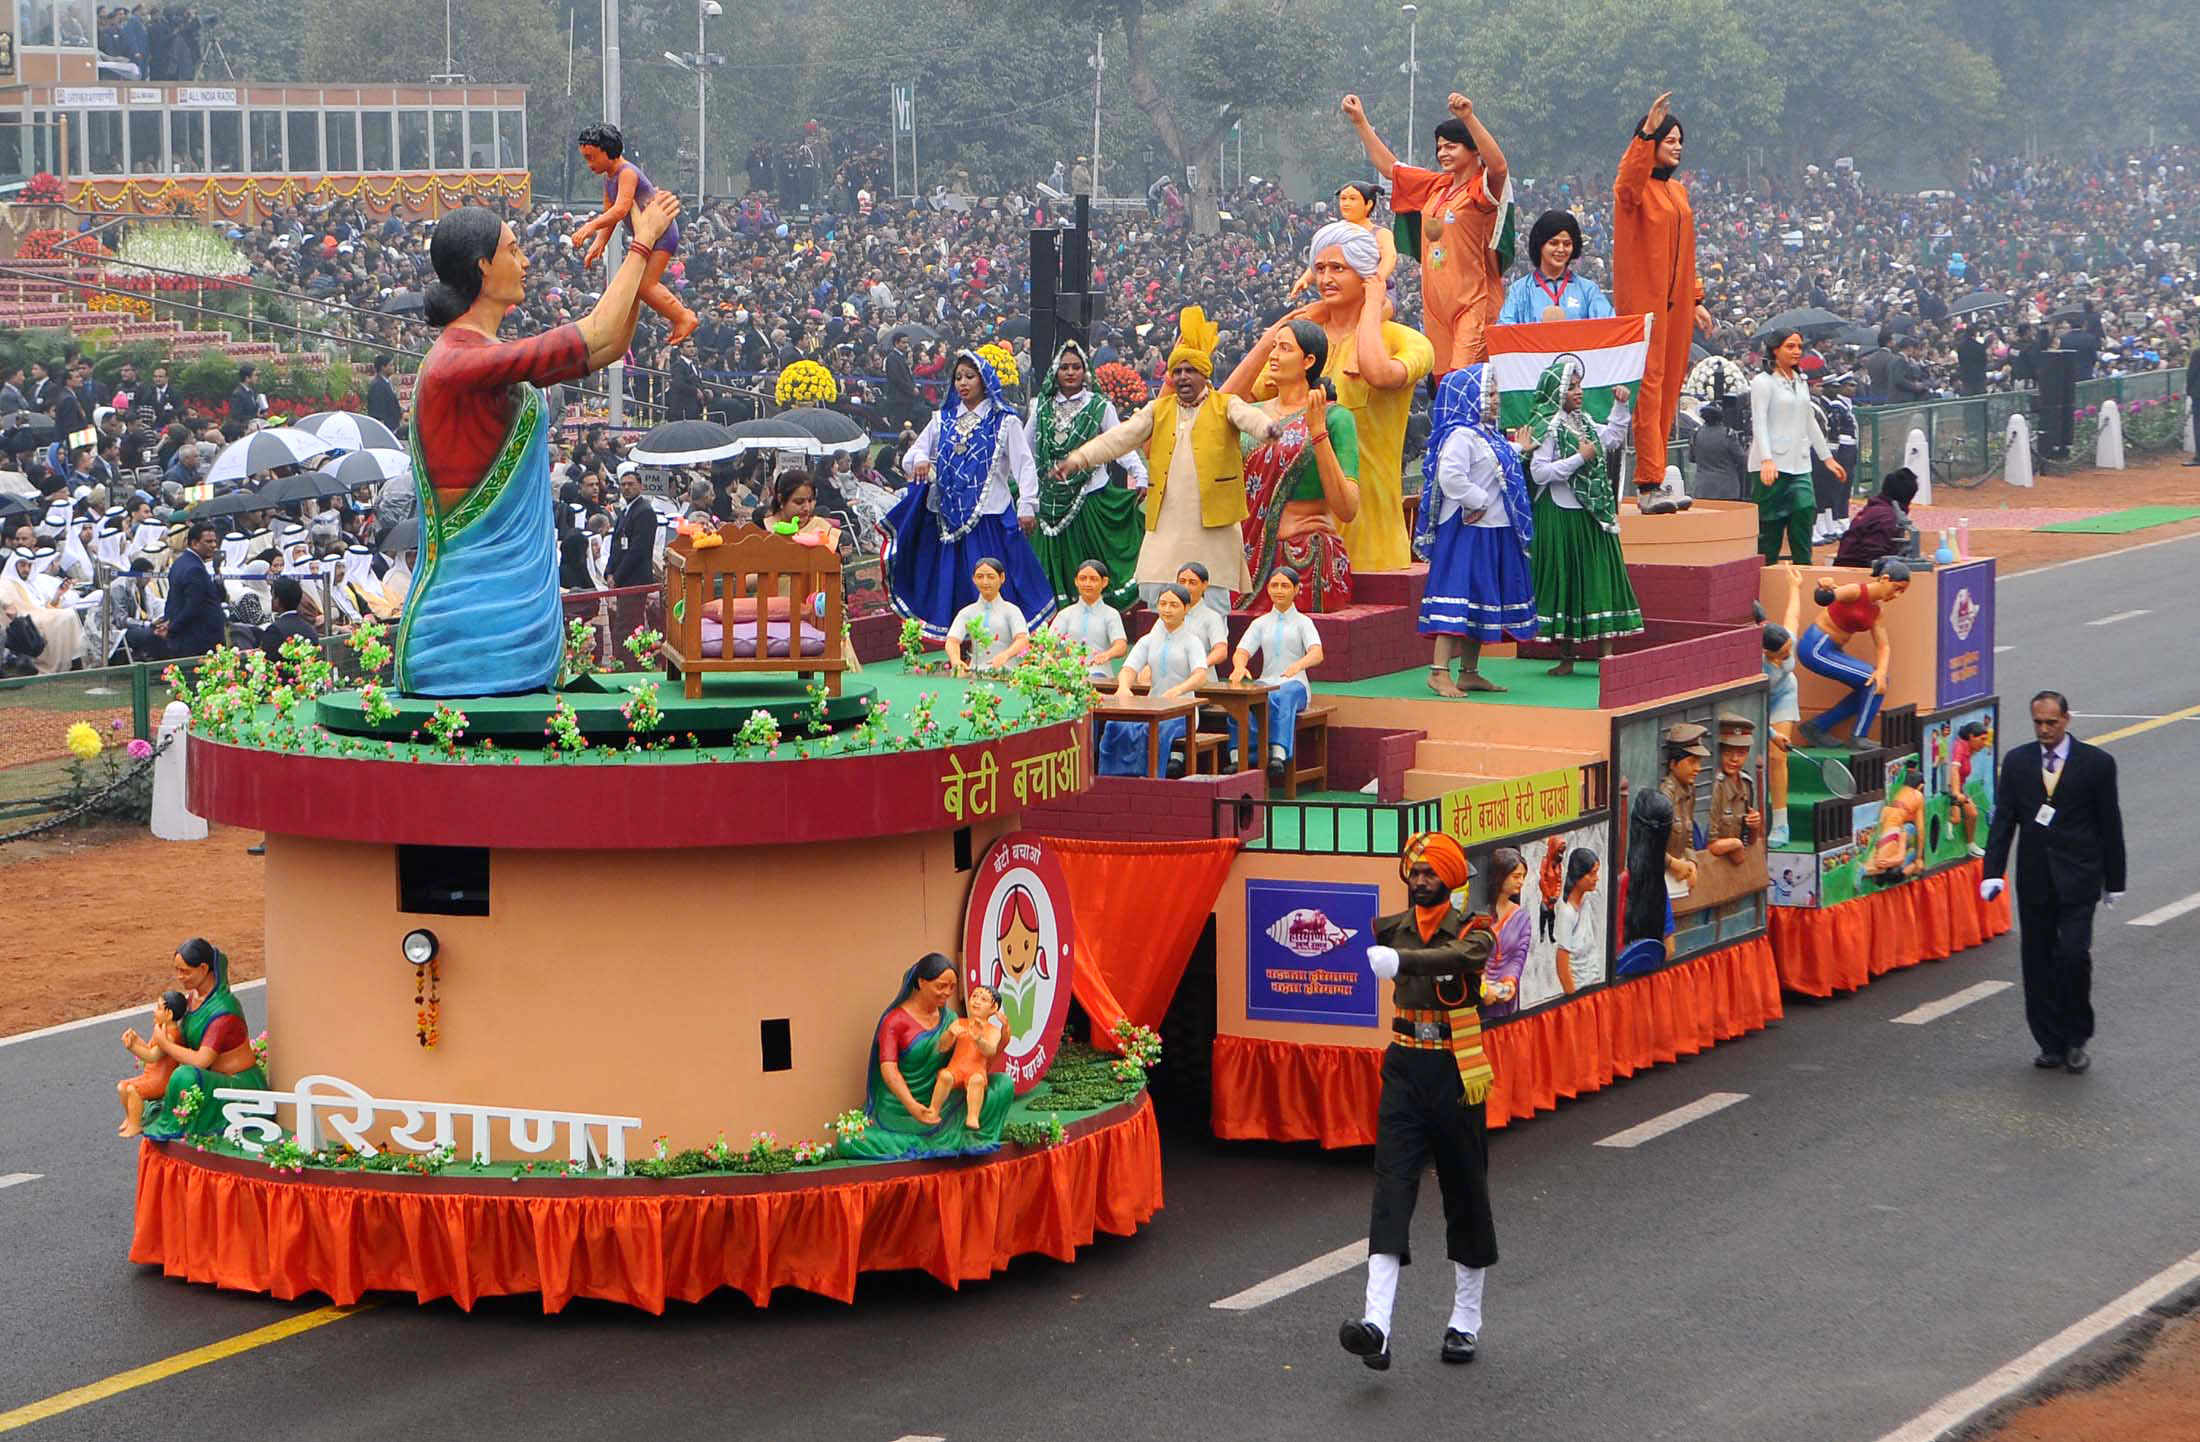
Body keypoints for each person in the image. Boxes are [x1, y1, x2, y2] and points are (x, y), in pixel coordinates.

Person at [395, 195, 677, 695]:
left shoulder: (484, 354)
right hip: (464, 624)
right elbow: (599, 331)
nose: (525, 261)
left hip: (517, 608)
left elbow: (610, 344)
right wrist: (641, 244)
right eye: (513, 250)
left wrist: (650, 261)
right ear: (483, 266)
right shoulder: (456, 362)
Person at [1343, 831, 1498, 1372]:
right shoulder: (1390, 929)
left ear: (1450, 879)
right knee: (1391, 1188)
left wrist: (1402, 961)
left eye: (1431, 872)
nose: (1421, 880)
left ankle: (1465, 1321)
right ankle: (1377, 1326)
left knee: (1465, 1190)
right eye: (1416, 871)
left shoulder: (1474, 931)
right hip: (1405, 1068)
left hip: (1456, 1071)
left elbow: (1459, 957)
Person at [1231, 221, 1425, 574]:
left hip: (1373, 543)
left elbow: (1378, 373)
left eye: (1338, 268)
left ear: (1367, 275)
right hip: (1298, 544)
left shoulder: (1405, 341)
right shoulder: (1297, 345)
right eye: (1319, 268)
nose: (1325, 279)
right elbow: (1226, 406)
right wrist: (1270, 339)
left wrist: (1373, 306)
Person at [1050, 308, 1275, 609]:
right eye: (1177, 372)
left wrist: (1267, 429)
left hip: (1214, 520)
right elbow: (1120, 437)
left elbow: (1250, 418)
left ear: (1204, 374)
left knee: (1211, 597)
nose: (1183, 377)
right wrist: (1079, 458)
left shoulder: (1225, 404)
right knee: (1157, 589)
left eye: (1190, 371)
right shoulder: (1159, 409)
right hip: (1167, 518)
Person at [1981, 692, 2125, 1074]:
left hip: (2079, 878)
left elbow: (2110, 823)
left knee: (2072, 956)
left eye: (2051, 722)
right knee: (2038, 961)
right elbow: (2004, 821)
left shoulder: (2097, 764)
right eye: (2038, 723)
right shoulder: (2017, 762)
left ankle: (2076, 1039)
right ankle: (2050, 1042)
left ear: (2066, 720)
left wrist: (2115, 879)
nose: (2044, 730)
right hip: (2036, 880)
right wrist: (1992, 872)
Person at [884, 350, 1053, 640]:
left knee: (995, 579)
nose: (963, 383)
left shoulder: (1004, 421)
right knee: (956, 582)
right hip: (950, 518)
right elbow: (914, 453)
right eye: (958, 377)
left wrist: (1027, 504)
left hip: (990, 517)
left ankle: (1004, 638)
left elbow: (1024, 464)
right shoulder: (943, 420)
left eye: (970, 376)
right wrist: (921, 459)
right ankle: (961, 640)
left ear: (984, 380)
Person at [1341, 90, 1509, 373]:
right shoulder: (1437, 186)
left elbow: (1499, 166)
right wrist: (1360, 121)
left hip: (1474, 303)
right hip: (1436, 306)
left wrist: (1468, 118)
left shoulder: (1482, 189)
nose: (1443, 153)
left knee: (1463, 381)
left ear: (1474, 150)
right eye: (1440, 148)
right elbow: (1391, 168)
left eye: (1451, 146)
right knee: (1441, 381)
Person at [1612, 92, 1716, 506]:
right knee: (1650, 387)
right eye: (1669, 139)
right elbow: (1627, 178)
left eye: (1679, 141)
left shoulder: (1678, 193)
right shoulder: (1633, 193)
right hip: (1644, 303)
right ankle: (1648, 482)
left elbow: (1686, 253)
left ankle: (1656, 478)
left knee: (1671, 385)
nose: (1677, 146)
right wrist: (1645, 132)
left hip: (1677, 304)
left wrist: (1696, 299)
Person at [1415, 363, 1536, 696]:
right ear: (1470, 396)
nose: (1496, 399)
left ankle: (1469, 672)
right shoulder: (1461, 435)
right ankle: (1438, 672)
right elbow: (1450, 476)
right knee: (1457, 594)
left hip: (1493, 529)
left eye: (1496, 393)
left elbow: (1494, 463)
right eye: (1489, 393)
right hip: (1467, 530)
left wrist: (1520, 449)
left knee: (1481, 597)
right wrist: (1478, 501)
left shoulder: (1486, 435)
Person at [1223, 317, 1359, 611]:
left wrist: (1318, 431)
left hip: (1301, 560)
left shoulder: (1336, 418)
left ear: (1308, 360)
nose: (1273, 355)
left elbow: (1347, 509)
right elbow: (1212, 415)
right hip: (1244, 557)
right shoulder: (1250, 414)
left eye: (1284, 348)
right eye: (1273, 347)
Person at [1524, 357, 1643, 672]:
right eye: (1571, 387)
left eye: (1579, 386)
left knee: (1598, 578)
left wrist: (1620, 406)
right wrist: (1579, 458)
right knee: (1567, 580)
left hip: (1592, 513)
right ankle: (1567, 656)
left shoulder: (1585, 422)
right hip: (1560, 514)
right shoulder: (1547, 426)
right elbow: (1539, 472)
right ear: (1557, 391)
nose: (1579, 392)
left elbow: (1613, 438)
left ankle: (1607, 656)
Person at [837, 953, 1014, 1159]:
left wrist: (1002, 1040)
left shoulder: (950, 1018)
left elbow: (975, 1062)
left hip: (943, 1100)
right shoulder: (895, 1021)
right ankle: (938, 1141)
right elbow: (889, 1070)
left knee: (1002, 1085)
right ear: (921, 982)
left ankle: (965, 1137)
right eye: (941, 986)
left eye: (952, 987)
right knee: (849, 1139)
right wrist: (913, 1106)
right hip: (901, 1108)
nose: (947, 993)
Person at [1026, 339, 1146, 614]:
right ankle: (1057, 616)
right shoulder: (1041, 406)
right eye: (1064, 367)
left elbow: (1117, 443)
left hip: (1089, 493)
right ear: (1055, 372)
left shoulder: (1099, 406)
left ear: (1085, 371)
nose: (1070, 372)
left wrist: (1139, 473)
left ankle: (1095, 613)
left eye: (1076, 367)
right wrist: (1026, 490)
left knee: (1093, 556)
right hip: (1049, 498)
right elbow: (1026, 448)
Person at [570, 122, 698, 346]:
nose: (589, 164)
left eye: (591, 157)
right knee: (636, 286)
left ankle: (683, 316)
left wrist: (591, 226)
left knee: (646, 286)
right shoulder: (609, 177)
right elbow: (610, 210)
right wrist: (600, 241)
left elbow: (620, 209)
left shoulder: (626, 173)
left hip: (661, 234)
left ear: (608, 151)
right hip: (646, 235)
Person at [134, 938, 271, 1141]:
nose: (180, 977)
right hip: (211, 1076)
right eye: (177, 970)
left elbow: (202, 1060)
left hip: (236, 1084)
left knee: (184, 1076)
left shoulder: (223, 1010)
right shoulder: (193, 999)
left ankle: (176, 1121)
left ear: (204, 968)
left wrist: (165, 1044)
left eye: (185, 971)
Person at [1748, 329, 1844, 564]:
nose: (1797, 351)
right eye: (1790, 346)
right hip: (1770, 466)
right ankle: (1766, 572)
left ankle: (1804, 568)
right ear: (1775, 350)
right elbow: (1759, 422)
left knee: (1805, 509)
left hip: (1799, 463)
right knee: (1769, 525)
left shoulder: (1801, 381)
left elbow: (1809, 420)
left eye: (1799, 346)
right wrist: (1766, 459)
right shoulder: (1763, 382)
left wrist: (1827, 458)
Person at [1797, 558, 1910, 749]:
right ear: (1885, 579)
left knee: (1874, 681)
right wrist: (1825, 586)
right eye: (1896, 588)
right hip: (1816, 647)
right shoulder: (1856, 591)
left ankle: (1816, 727)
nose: (1897, 595)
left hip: (1832, 650)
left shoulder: (1876, 611)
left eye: (1902, 592)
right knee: (1873, 682)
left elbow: (1883, 646)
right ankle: (1859, 736)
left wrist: (1881, 671)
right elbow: (1825, 597)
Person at [1098, 582, 1209, 778]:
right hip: (1152, 707)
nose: (1167, 609)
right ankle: (1110, 779)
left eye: (1174, 605)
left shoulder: (1192, 642)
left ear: (1186, 608)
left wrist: (1179, 690)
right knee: (1114, 725)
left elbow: (1200, 676)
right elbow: (1128, 669)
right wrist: (1123, 687)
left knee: (1157, 729)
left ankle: (1150, 780)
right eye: (1163, 604)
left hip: (1182, 711)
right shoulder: (1148, 640)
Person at [1227, 567, 1323, 783]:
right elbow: (1242, 651)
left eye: (1285, 586)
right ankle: (1239, 756)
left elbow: (1317, 652)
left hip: (1295, 684)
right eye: (1274, 585)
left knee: (1283, 696)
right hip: (1267, 682)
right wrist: (1239, 666)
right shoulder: (1260, 623)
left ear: (1296, 589)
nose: (1279, 590)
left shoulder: (1303, 623)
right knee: (1239, 701)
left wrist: (1299, 665)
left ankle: (1278, 754)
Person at [1289, 182, 1398, 303]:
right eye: (1343, 199)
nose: (1346, 203)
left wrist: (1377, 279)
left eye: (1352, 199)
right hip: (1341, 289)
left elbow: (1390, 257)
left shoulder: (1380, 233)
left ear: (1368, 204)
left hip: (1376, 292)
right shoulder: (1334, 231)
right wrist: (1304, 279)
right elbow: (1322, 260)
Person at [1498, 210, 1614, 324]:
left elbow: (1610, 326)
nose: (1561, 249)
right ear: (1540, 244)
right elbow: (1505, 330)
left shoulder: (1588, 290)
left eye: (1567, 244)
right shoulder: (1519, 290)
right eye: (1554, 243)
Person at [926, 983, 1007, 1132]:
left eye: (983, 999)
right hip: (955, 1068)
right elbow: (942, 1047)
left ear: (993, 1008)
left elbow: (990, 1052)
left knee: (976, 1081)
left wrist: (979, 1039)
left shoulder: (993, 1031)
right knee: (945, 1076)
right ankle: (933, 1109)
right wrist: (950, 1033)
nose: (976, 1001)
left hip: (976, 1070)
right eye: (974, 996)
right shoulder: (959, 1023)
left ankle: (973, 1116)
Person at [1763, 563, 1803, 847]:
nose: (1789, 655)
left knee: (1778, 757)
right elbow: (1752, 706)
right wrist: (1772, 734)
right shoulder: (1755, 664)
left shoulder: (1786, 641)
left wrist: (1794, 587)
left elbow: (1794, 615)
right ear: (1767, 652)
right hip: (1759, 700)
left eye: (1790, 650)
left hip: (1785, 694)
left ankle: (1780, 825)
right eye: (1784, 654)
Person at [2, 544, 86, 672]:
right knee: (64, 617)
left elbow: (41, 606)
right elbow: (12, 612)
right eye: (22, 565)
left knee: (69, 614)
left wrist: (57, 595)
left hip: (40, 614)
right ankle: (64, 664)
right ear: (14, 565)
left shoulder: (29, 582)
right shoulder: (5, 583)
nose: (26, 569)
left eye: (29, 565)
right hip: (24, 622)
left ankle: (73, 662)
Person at [116, 990, 188, 1138]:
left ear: (169, 1014)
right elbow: (149, 1049)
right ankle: (130, 1118)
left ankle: (135, 1125)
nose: (154, 1011)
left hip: (161, 1081)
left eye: (159, 1008)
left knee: (133, 1090)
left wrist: (132, 1047)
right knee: (122, 1086)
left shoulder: (170, 1036)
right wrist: (136, 1040)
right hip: (150, 1075)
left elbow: (152, 1057)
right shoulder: (161, 1029)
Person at [944, 556, 1031, 673]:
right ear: (974, 579)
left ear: (1002, 578)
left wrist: (1005, 655)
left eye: (991, 577)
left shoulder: (1012, 611)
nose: (985, 582)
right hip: (975, 673)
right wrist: (955, 660)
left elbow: (1022, 639)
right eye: (980, 577)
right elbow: (952, 640)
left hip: (1007, 673)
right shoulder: (967, 612)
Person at [1049, 557, 1128, 678]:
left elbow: (1121, 646)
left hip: (1099, 673)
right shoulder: (1065, 614)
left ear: (1104, 582)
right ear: (1076, 581)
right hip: (1069, 675)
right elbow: (1049, 643)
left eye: (1093, 579)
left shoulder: (1111, 614)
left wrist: (1107, 655)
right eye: (1083, 578)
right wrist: (1048, 657)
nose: (1087, 584)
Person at [1657, 723, 1707, 904]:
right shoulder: (1664, 798)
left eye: (1699, 762)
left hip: (1678, 884)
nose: (1698, 768)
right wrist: (1674, 865)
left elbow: (1688, 839)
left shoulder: (1688, 792)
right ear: (1673, 764)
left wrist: (1691, 862)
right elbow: (1651, 847)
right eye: (1692, 762)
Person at [1832, 468, 1918, 570]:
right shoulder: (1887, 517)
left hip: (1848, 566)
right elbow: (1874, 558)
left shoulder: (1875, 508)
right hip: (1858, 571)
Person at [1479, 846, 1530, 1020]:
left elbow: (1518, 956)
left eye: (1523, 877)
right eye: (1516, 876)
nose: (1521, 882)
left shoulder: (1521, 917)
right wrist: (1482, 986)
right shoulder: (1478, 913)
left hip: (1504, 996)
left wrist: (1509, 982)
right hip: (1477, 993)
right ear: (1500, 876)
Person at [1706, 713, 1760, 858]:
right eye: (1728, 752)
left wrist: (1754, 826)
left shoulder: (1746, 783)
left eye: (1741, 753)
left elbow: (1750, 841)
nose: (1734, 759)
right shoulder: (1715, 786)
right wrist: (1735, 844)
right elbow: (1708, 845)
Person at [1553, 847, 1601, 995]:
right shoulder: (1567, 913)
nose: (1596, 878)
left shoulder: (1586, 903)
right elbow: (1562, 961)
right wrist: (1572, 994)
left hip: (1592, 984)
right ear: (1579, 874)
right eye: (1592, 874)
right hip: (1578, 991)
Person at [606, 462, 658, 588]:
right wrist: (609, 572)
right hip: (622, 579)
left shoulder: (645, 511)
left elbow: (637, 550)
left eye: (631, 484)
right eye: (623, 484)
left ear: (641, 486)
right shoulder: (625, 511)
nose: (626, 487)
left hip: (635, 580)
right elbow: (616, 545)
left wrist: (617, 577)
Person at [1686, 399, 1749, 502]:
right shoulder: (1728, 434)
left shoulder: (1696, 433)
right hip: (1726, 489)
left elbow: (1691, 458)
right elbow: (1742, 460)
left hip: (1702, 488)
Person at [1947, 719, 1992, 858]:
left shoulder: (1968, 748)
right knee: (1957, 818)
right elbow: (1954, 769)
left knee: (1972, 814)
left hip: (1960, 788)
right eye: (1982, 739)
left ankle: (1970, 845)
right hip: (1952, 788)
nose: (1984, 743)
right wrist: (1955, 793)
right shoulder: (1960, 748)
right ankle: (1948, 825)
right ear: (1971, 736)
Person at [258, 574, 318, 661]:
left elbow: (267, 660)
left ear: (277, 600)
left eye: (273, 596)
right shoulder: (310, 629)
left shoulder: (274, 630)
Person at [366, 354, 403, 435]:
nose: (393, 367)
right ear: (383, 367)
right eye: (390, 365)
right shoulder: (377, 385)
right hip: (386, 429)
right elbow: (377, 409)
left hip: (392, 426)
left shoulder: (386, 383)